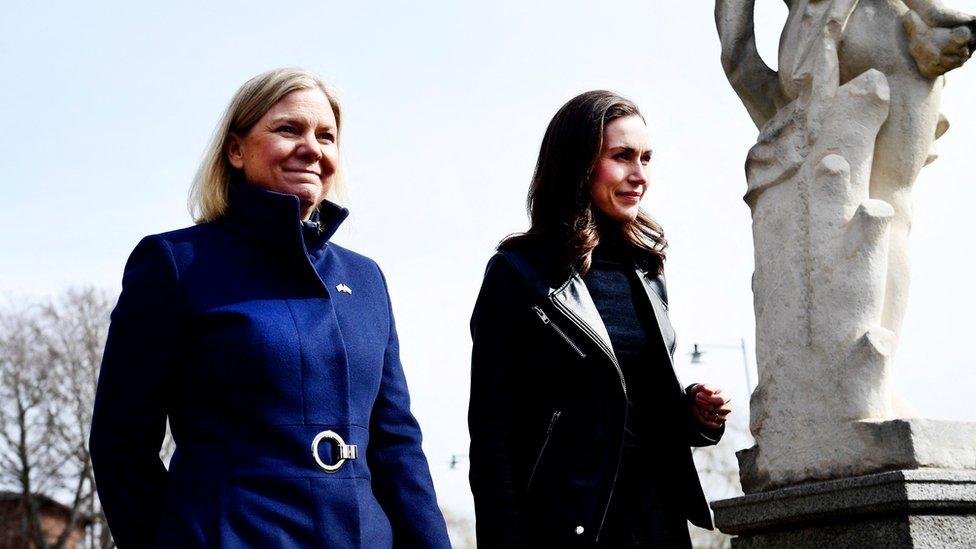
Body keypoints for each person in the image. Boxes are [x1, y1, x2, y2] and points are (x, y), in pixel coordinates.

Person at [89, 68, 451, 548]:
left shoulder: (366, 280)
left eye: (327, 136)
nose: (313, 148)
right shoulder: (174, 265)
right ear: (235, 150)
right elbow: (121, 444)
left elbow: (397, 445)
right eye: (288, 129)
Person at [468, 90, 733, 548]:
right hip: (570, 525)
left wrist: (694, 413)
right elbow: (493, 437)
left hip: (657, 520)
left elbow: (635, 408)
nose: (639, 175)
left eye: (647, 159)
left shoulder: (646, 269)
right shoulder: (518, 273)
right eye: (622, 156)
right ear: (579, 163)